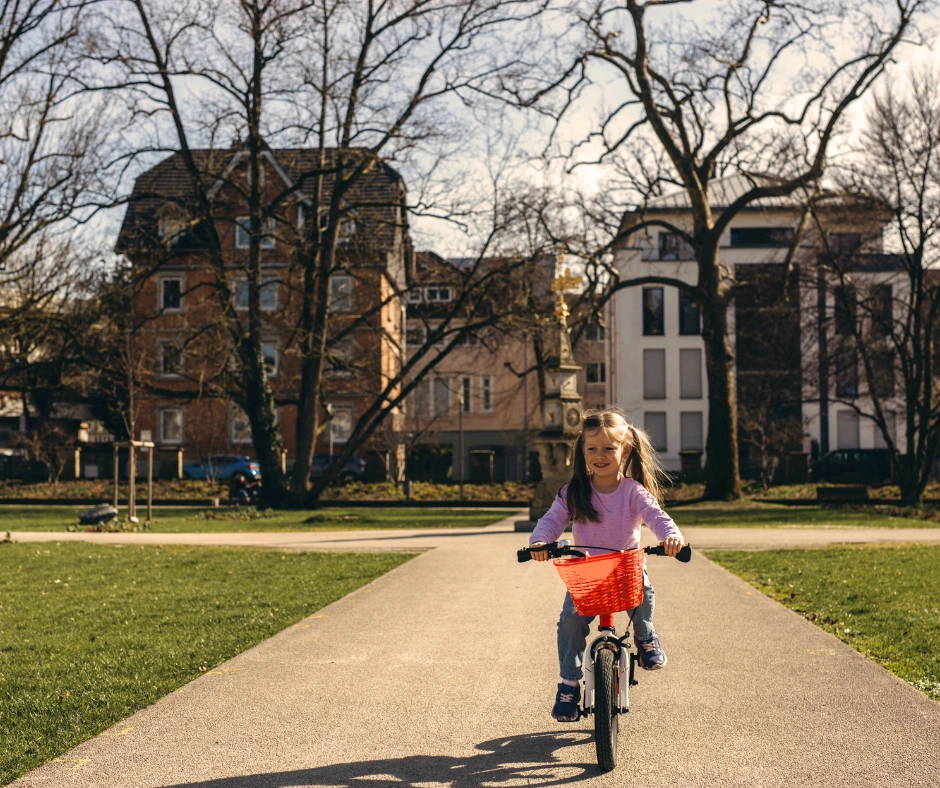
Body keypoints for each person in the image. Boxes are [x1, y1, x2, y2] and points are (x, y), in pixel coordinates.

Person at [528, 407, 685, 722]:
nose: (600, 455)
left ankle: (645, 635)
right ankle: (569, 685)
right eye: (592, 449)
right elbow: (552, 520)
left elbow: (657, 517)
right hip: (587, 572)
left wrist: (671, 537)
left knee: (644, 592)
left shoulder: (632, 492)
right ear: (582, 451)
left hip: (625, 567)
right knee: (570, 623)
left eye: (608, 448)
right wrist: (539, 541)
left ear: (624, 450)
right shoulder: (575, 491)